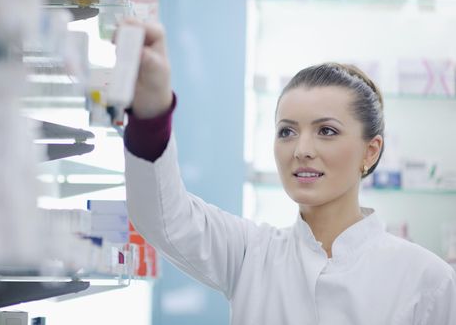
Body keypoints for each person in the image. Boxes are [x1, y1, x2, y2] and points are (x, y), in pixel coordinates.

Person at [117, 19, 456, 324]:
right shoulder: (250, 253)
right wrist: (152, 110)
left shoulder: (428, 280)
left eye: (326, 131)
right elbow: (163, 216)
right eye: (287, 131)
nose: (301, 150)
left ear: (371, 151)